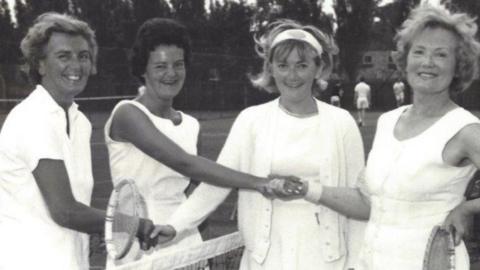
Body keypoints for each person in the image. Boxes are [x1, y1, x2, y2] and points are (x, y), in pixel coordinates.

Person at [158, 19, 366, 270]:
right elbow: (218, 182)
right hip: (264, 261)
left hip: (329, 261)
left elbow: (358, 203)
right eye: (283, 65)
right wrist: (175, 225)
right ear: (271, 69)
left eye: (302, 65)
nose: (292, 75)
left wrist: (359, 263)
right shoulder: (251, 120)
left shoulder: (342, 123)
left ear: (318, 68)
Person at [292, 4, 480, 270]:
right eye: (419, 52)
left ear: (458, 66)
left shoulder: (465, 129)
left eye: (441, 55)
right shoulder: (388, 121)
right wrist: (307, 189)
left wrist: (468, 209)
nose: (427, 62)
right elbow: (370, 203)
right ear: (405, 59)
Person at [103, 18, 301, 265]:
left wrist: (205, 250)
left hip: (184, 239)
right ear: (143, 69)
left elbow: (194, 193)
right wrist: (260, 182)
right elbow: (186, 164)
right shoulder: (127, 114)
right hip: (139, 241)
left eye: (178, 64)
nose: (171, 74)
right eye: (160, 66)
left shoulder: (191, 125)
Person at [0, 13, 160, 270]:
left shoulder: (80, 123)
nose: (76, 65)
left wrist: (101, 231)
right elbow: (66, 211)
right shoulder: (32, 118)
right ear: (40, 64)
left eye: (83, 56)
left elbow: (74, 212)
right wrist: (133, 225)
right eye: (63, 56)